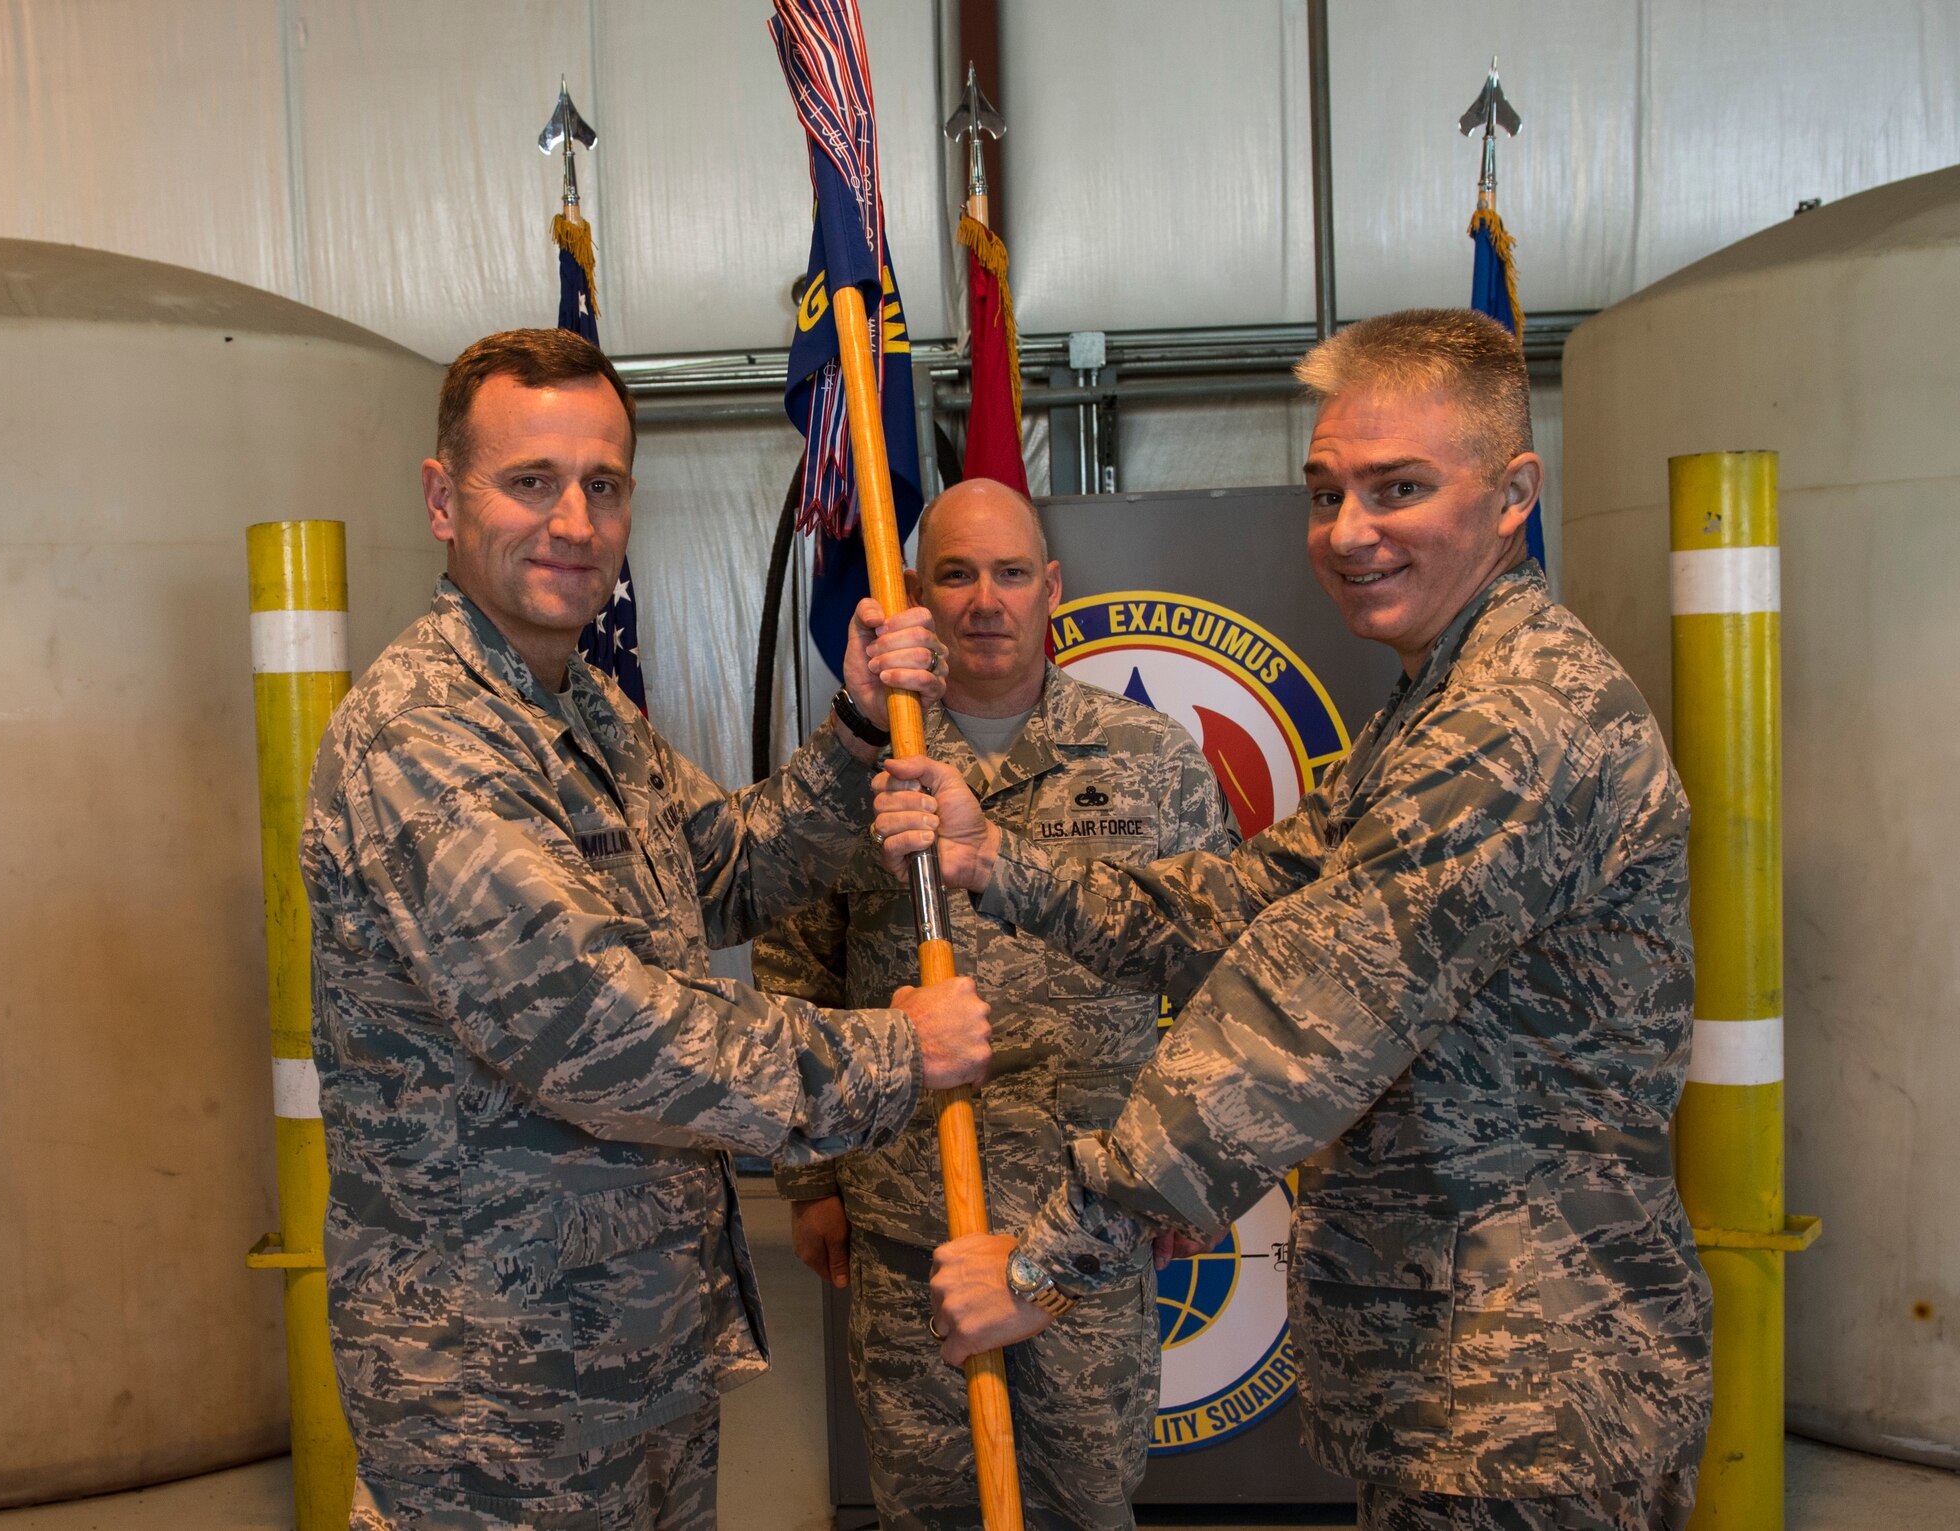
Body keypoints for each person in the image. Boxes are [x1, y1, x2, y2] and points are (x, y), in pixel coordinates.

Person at [877, 310, 1713, 1531]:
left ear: (1513, 494)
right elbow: (1246, 905)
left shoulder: (1514, 722)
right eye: (1325, 494)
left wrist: (1044, 1259)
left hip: (1532, 1397)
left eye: (1399, 488)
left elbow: (1296, 1018)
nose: (1348, 533)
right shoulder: (1438, 702)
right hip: (1458, 1377)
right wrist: (998, 863)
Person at [299, 328, 992, 1531]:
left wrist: (863, 730)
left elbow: (720, 869)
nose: (573, 520)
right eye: (530, 482)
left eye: (602, 485)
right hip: (499, 1396)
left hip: (635, 1356)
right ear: (440, 499)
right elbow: (593, 1025)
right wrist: (890, 1054)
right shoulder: (423, 737)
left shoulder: (576, 706)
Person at [756, 478, 1232, 1530]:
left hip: (1085, 1229)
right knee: (925, 1508)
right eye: (956, 574)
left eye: (1010, 572)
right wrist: (807, 1177)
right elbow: (795, 966)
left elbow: (1215, 977)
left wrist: (1181, 1184)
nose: (985, 600)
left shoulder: (1149, 760)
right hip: (910, 1231)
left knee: (1085, 1502)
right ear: (919, 595)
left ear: (1050, 587)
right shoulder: (855, 769)